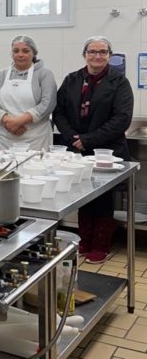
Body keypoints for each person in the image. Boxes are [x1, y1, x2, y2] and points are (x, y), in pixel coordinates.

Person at [54, 36, 133, 264]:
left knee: (103, 198)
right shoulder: (72, 79)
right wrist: (72, 138)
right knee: (82, 197)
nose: (97, 56)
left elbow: (121, 119)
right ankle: (84, 242)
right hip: (77, 150)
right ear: (85, 54)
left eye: (103, 52)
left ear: (109, 55)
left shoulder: (119, 82)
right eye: (92, 51)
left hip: (107, 151)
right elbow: (59, 112)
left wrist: (87, 140)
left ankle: (101, 246)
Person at [0, 35, 57, 151]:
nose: (20, 54)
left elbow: (48, 103)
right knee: (4, 168)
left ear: (33, 53)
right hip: (5, 138)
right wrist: (7, 121)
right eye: (16, 51)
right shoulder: (1, 75)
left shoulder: (44, 74)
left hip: (36, 139)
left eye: (25, 51)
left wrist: (18, 122)